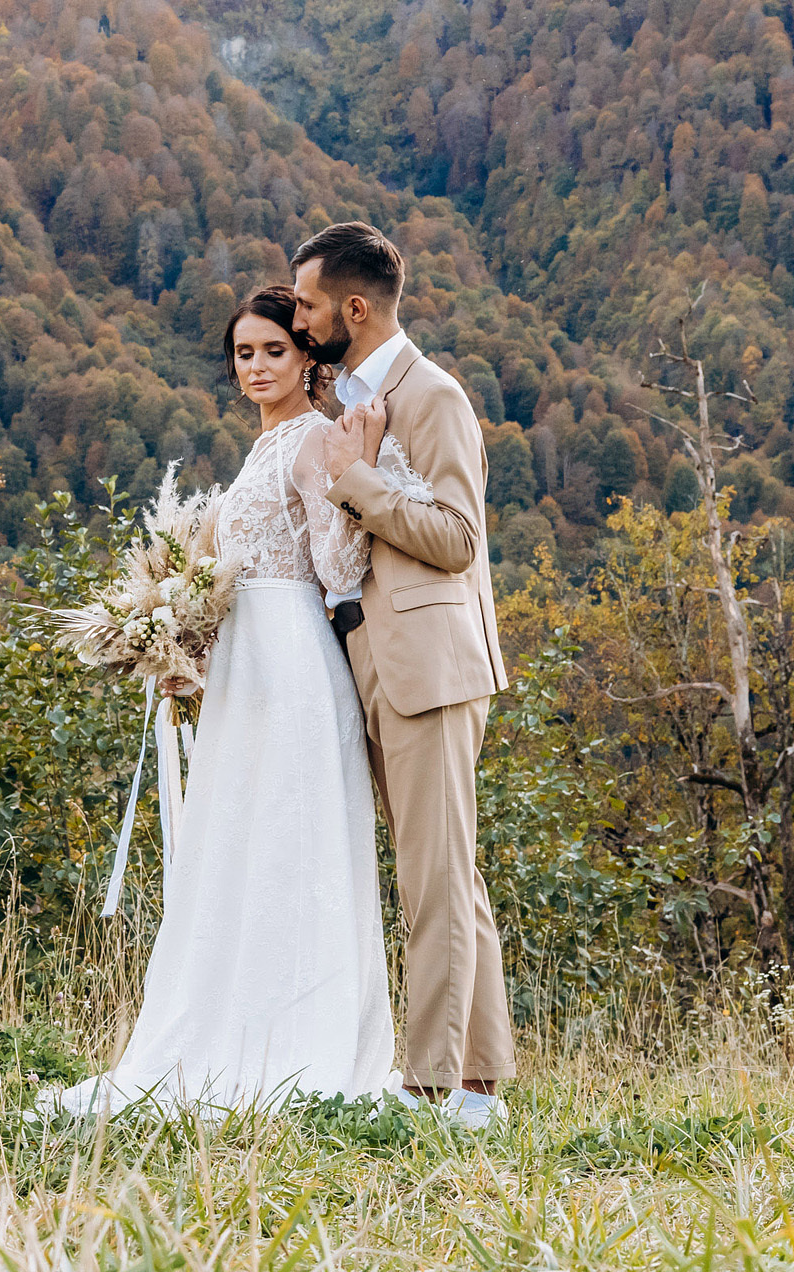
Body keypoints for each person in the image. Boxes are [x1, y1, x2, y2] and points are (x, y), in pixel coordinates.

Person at [44, 285, 400, 1117]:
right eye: (243, 354)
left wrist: (359, 468)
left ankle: (296, 1044)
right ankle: (227, 1026)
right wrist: (186, 642)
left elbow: (336, 566)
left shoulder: (314, 438)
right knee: (240, 843)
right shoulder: (263, 447)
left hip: (295, 666)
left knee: (290, 840)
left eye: (273, 350)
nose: (256, 367)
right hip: (245, 665)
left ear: (307, 354)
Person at [292, 220, 516, 1131]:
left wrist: (355, 479)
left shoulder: (435, 397)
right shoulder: (357, 400)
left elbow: (459, 540)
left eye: (307, 304)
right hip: (377, 661)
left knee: (433, 881)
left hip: (433, 668)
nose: (300, 320)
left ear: (354, 307)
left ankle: (430, 1088)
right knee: (449, 878)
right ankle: (478, 1084)